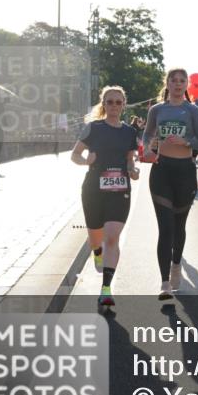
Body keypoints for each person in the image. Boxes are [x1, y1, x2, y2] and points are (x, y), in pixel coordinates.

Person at [142, 69, 198, 300]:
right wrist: (149, 149)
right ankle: (164, 283)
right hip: (161, 172)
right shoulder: (157, 110)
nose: (178, 84)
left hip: (185, 173)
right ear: (167, 83)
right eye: (174, 80)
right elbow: (147, 134)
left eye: (182, 81)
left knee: (179, 226)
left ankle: (176, 264)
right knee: (166, 228)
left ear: (186, 84)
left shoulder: (192, 110)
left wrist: (185, 141)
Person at [71, 87, 139, 308]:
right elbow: (75, 154)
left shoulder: (129, 132)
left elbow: (130, 159)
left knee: (112, 237)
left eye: (118, 102)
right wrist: (85, 161)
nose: (114, 106)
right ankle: (96, 251)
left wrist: (133, 169)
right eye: (110, 102)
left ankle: (106, 289)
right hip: (93, 189)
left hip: (120, 189)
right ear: (104, 104)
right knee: (96, 238)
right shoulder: (94, 128)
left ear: (123, 105)